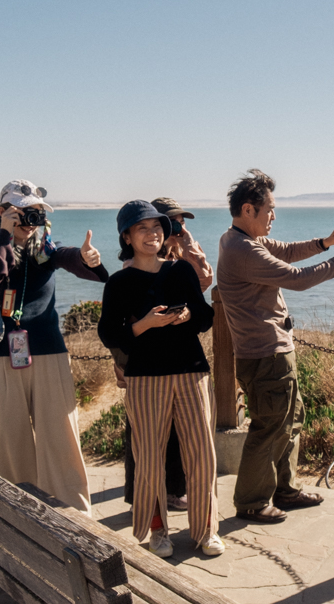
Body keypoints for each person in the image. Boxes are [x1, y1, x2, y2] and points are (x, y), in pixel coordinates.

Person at [216, 169, 334, 524]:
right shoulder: (242, 249)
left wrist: (325, 242)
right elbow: (298, 279)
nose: (274, 216)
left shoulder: (243, 240)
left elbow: (289, 252)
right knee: (269, 427)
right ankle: (250, 501)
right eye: (270, 210)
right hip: (265, 355)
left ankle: (285, 489)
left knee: (289, 421)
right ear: (248, 210)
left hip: (272, 352)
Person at [0, 179, 107, 515]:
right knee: (8, 447)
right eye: (21, 213)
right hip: (0, 357)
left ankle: (76, 521)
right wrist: (4, 234)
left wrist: (87, 258)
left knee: (62, 443)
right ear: (3, 212)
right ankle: (17, 521)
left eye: (36, 214)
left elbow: (72, 259)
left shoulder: (47, 251)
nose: (30, 222)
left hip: (48, 353)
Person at [98, 200, 222, 558]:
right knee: (149, 458)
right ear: (127, 236)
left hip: (191, 371)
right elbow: (110, 334)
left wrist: (186, 316)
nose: (152, 234)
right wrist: (144, 324)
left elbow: (204, 316)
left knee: (202, 455)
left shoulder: (181, 271)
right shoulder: (120, 282)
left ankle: (207, 531)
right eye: (143, 229)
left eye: (157, 228)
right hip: (145, 379)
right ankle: (157, 531)